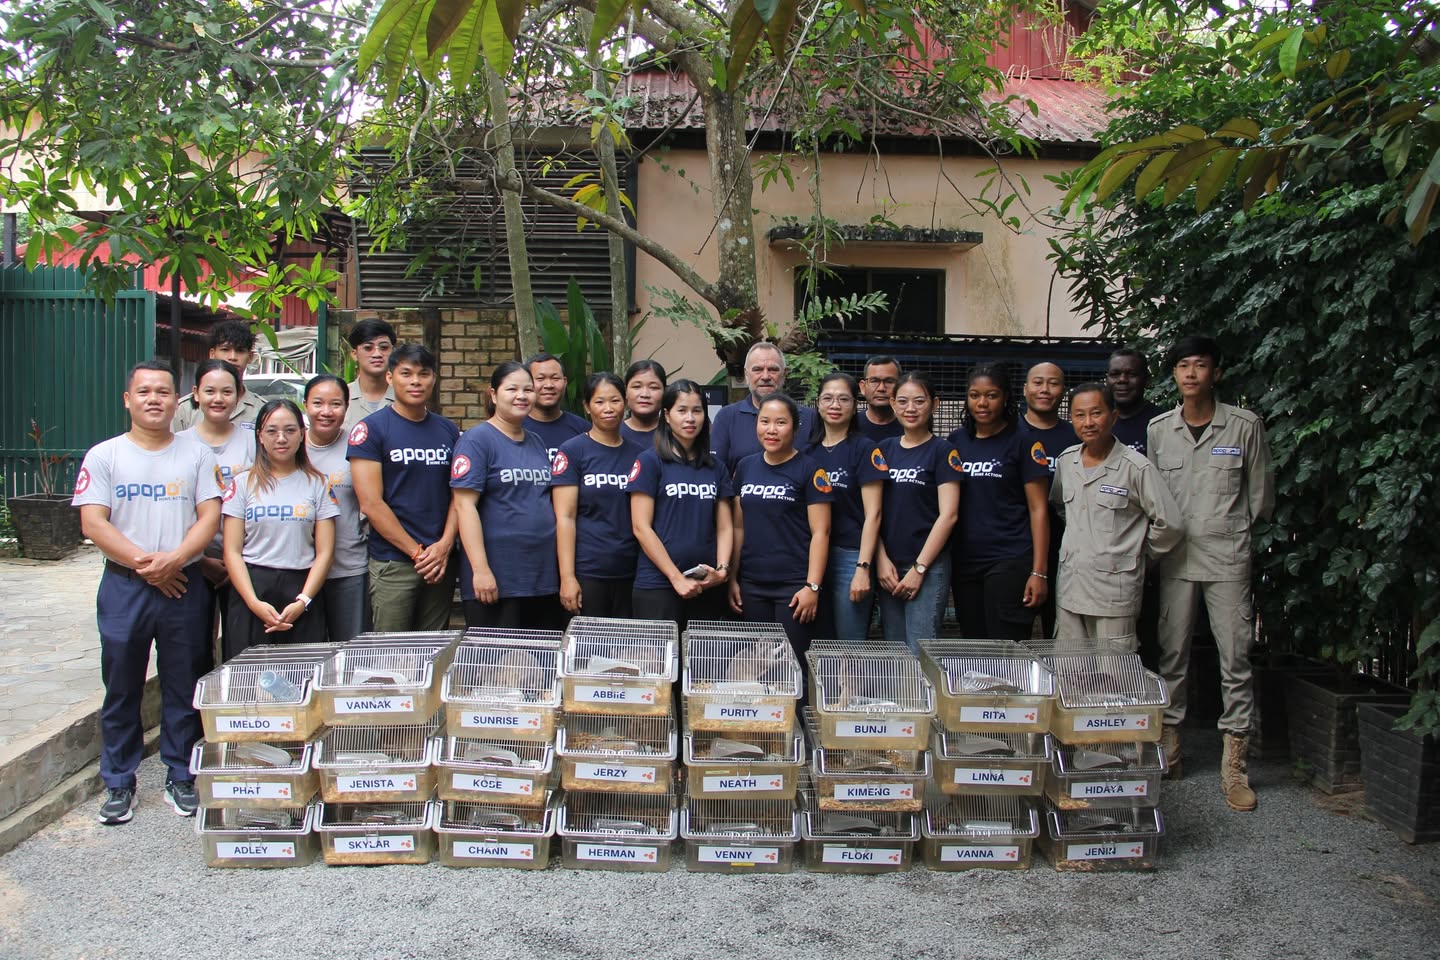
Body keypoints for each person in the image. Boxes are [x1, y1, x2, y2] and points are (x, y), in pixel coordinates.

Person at [73, 360, 223, 823]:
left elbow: (210, 516)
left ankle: (181, 774)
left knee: (184, 683)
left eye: (162, 391)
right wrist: (147, 566)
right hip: (126, 587)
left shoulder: (197, 455)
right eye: (144, 392)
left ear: (175, 400)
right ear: (128, 400)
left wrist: (174, 561)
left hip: (184, 583)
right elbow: (92, 521)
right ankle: (119, 781)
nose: (154, 399)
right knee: (121, 685)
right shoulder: (105, 456)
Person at [1148, 335, 1274, 811]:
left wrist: (1231, 532)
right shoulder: (1161, 430)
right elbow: (1156, 499)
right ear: (1175, 375)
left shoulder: (1244, 426)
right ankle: (1171, 747)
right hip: (1177, 560)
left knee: (1235, 656)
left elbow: (1259, 497)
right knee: (1172, 653)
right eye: (1183, 366)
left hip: (1227, 559)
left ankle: (1235, 761)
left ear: (1215, 373)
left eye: (1200, 366)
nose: (1191, 374)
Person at [1050, 383, 1183, 648]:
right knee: (1071, 673)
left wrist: (1135, 552)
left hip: (1113, 593)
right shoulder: (1066, 462)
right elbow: (1061, 505)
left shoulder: (1136, 467)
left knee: (1115, 677)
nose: (1088, 422)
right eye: (1079, 415)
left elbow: (1170, 524)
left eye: (1096, 413)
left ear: (1113, 416)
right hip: (1071, 588)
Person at [347, 344, 459, 632]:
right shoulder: (371, 429)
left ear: (434, 378)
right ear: (389, 377)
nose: (415, 382)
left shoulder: (448, 430)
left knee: (433, 649)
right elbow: (371, 504)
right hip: (395, 561)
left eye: (424, 374)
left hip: (440, 561)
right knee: (391, 654)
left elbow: (459, 496)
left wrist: (444, 546)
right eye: (406, 373)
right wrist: (417, 553)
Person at [452, 362, 562, 629]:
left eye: (528, 389)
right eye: (512, 389)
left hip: (540, 576)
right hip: (499, 576)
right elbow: (464, 507)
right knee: (495, 665)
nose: (521, 396)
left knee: (540, 664)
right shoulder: (477, 440)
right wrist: (480, 570)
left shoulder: (535, 441)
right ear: (493, 394)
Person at [222, 400, 338, 652]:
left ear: (301, 435)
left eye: (290, 430)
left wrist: (303, 600)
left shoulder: (317, 484)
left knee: (301, 678)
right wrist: (253, 603)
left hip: (301, 589)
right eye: (272, 431)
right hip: (252, 587)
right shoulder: (242, 483)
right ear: (260, 437)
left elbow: (325, 552)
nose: (281, 438)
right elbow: (231, 551)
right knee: (249, 680)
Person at [947, 364, 1050, 643]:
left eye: (991, 395)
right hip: (966, 562)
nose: (982, 403)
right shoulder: (957, 441)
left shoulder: (1024, 441)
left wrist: (1039, 571)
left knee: (1007, 646)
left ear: (1005, 397)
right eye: (974, 395)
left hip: (1010, 558)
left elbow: (1039, 509)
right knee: (974, 643)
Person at [728, 393, 833, 656]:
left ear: (795, 428)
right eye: (765, 421)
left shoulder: (811, 469)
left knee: (791, 665)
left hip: (794, 585)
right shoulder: (745, 467)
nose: (771, 430)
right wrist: (732, 577)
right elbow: (738, 527)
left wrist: (812, 587)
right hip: (753, 584)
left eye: (780, 423)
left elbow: (822, 532)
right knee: (760, 664)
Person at [629, 379, 734, 629]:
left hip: (705, 584)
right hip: (658, 585)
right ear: (666, 415)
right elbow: (641, 527)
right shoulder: (650, 462)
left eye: (697, 411)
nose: (690, 418)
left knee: (701, 664)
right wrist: (676, 578)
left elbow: (725, 527)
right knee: (657, 664)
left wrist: (721, 571)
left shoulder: (716, 467)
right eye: (682, 410)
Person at [874, 373, 961, 648]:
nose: (910, 409)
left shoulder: (944, 451)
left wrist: (919, 568)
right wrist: (880, 559)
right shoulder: (884, 450)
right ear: (892, 403)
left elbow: (949, 515)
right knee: (896, 652)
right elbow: (870, 512)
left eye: (919, 401)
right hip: (888, 566)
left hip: (927, 566)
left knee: (920, 651)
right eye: (902, 401)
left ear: (934, 404)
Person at [175, 359, 255, 654]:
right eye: (209, 391)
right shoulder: (178, 444)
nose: (218, 399)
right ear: (195, 393)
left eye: (227, 392)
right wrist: (199, 559)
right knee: (194, 647)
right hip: (193, 564)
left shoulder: (254, 441)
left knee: (241, 644)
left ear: (239, 394)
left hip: (245, 560)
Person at [553, 372, 644, 617]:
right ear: (586, 406)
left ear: (624, 403)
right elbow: (565, 518)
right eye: (599, 402)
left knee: (625, 650)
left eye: (615, 401)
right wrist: (567, 577)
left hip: (631, 570)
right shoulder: (572, 451)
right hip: (588, 570)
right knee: (588, 648)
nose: (608, 409)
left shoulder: (639, 454)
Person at [810, 371, 885, 641]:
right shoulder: (807, 451)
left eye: (843, 399)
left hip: (849, 556)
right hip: (811, 557)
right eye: (828, 398)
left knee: (848, 642)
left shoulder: (865, 449)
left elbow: (874, 514)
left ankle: (850, 686)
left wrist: (863, 568)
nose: (835, 405)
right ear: (817, 404)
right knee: (816, 638)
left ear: (855, 406)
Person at [305, 374, 371, 643]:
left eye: (336, 404)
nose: (326, 412)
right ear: (305, 405)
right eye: (318, 403)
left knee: (352, 651)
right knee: (306, 653)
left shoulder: (359, 445)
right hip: (300, 568)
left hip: (349, 567)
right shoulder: (290, 445)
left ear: (346, 407)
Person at [1021, 361, 1076, 639]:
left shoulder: (1076, 435)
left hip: (1067, 551)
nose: (1045, 389)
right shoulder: (1012, 433)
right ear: (1025, 389)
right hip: (1016, 550)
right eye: (1038, 382)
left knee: (1060, 633)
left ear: (1063, 390)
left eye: (1053, 383)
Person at [711, 342, 814, 472]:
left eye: (773, 369)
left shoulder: (809, 418)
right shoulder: (727, 417)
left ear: (785, 373)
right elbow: (716, 473)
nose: (765, 377)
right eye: (757, 369)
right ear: (746, 374)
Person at [172, 320, 263, 431]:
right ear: (212, 354)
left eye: (240, 350)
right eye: (225, 349)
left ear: (250, 356)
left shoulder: (261, 410)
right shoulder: (184, 409)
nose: (232, 357)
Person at [525, 352, 589, 460]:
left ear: (565, 382)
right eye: (540, 379)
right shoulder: (514, 428)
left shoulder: (583, 430)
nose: (549, 385)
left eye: (555, 378)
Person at [1107, 347, 1166, 456]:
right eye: (1115, 374)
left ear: (1146, 379)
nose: (1122, 380)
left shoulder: (1162, 424)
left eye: (1132, 374)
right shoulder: (1098, 422)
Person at [342, 318, 397, 432]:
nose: (377, 354)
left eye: (384, 347)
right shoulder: (341, 397)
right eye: (368, 348)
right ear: (354, 354)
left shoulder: (406, 397)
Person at [620, 359, 667, 448]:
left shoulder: (676, 434)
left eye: (653, 387)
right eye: (637, 387)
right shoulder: (612, 434)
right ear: (625, 392)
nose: (645, 394)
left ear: (665, 392)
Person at [857, 355, 904, 440]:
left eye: (889, 381)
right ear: (863, 387)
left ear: (900, 386)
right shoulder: (849, 426)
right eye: (874, 381)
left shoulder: (910, 427)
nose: (881, 388)